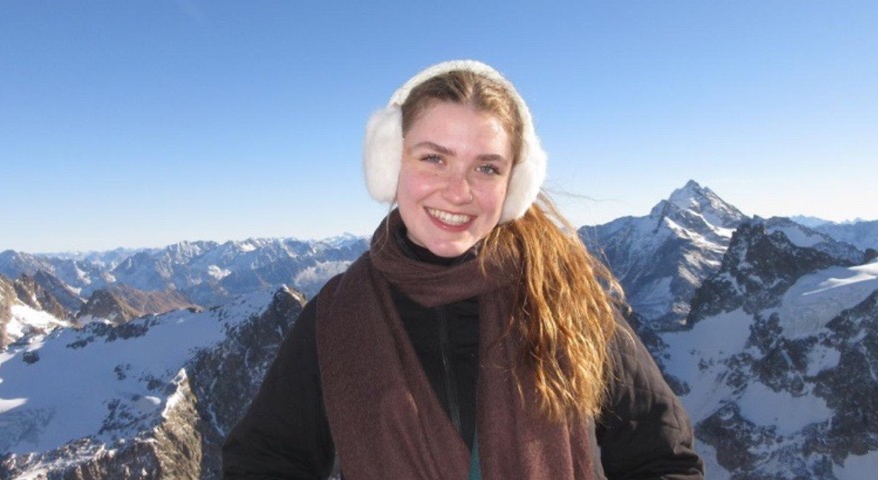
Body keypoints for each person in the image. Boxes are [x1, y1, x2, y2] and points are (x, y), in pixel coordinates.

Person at [223, 60, 704, 479]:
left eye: (487, 168)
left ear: (514, 184)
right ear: (390, 163)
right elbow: (265, 463)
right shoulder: (334, 319)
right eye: (434, 158)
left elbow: (662, 460)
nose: (459, 191)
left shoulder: (566, 301)